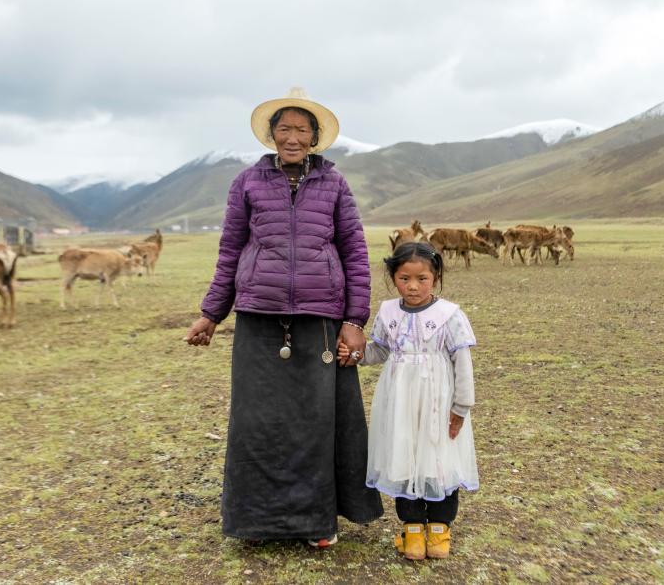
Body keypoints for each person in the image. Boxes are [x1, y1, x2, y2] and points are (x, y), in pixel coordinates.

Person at [184, 87, 383, 547]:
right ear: (272, 135)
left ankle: (316, 523)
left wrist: (354, 321)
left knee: (316, 423)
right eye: (285, 129)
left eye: (302, 130)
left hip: (320, 318)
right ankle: (256, 523)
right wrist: (211, 313)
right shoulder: (247, 183)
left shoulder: (334, 184)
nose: (293, 138)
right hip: (259, 317)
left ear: (315, 137)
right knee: (257, 423)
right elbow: (230, 252)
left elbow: (355, 253)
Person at [341, 241, 478, 560]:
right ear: (393, 278)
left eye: (422, 279)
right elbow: (380, 350)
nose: (413, 286)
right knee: (403, 457)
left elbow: (463, 363)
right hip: (399, 403)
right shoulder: (389, 312)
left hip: (438, 403)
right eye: (404, 279)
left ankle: (439, 531)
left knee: (439, 459)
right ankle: (414, 532)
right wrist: (356, 355)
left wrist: (461, 407)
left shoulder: (449, 315)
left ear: (435, 277)